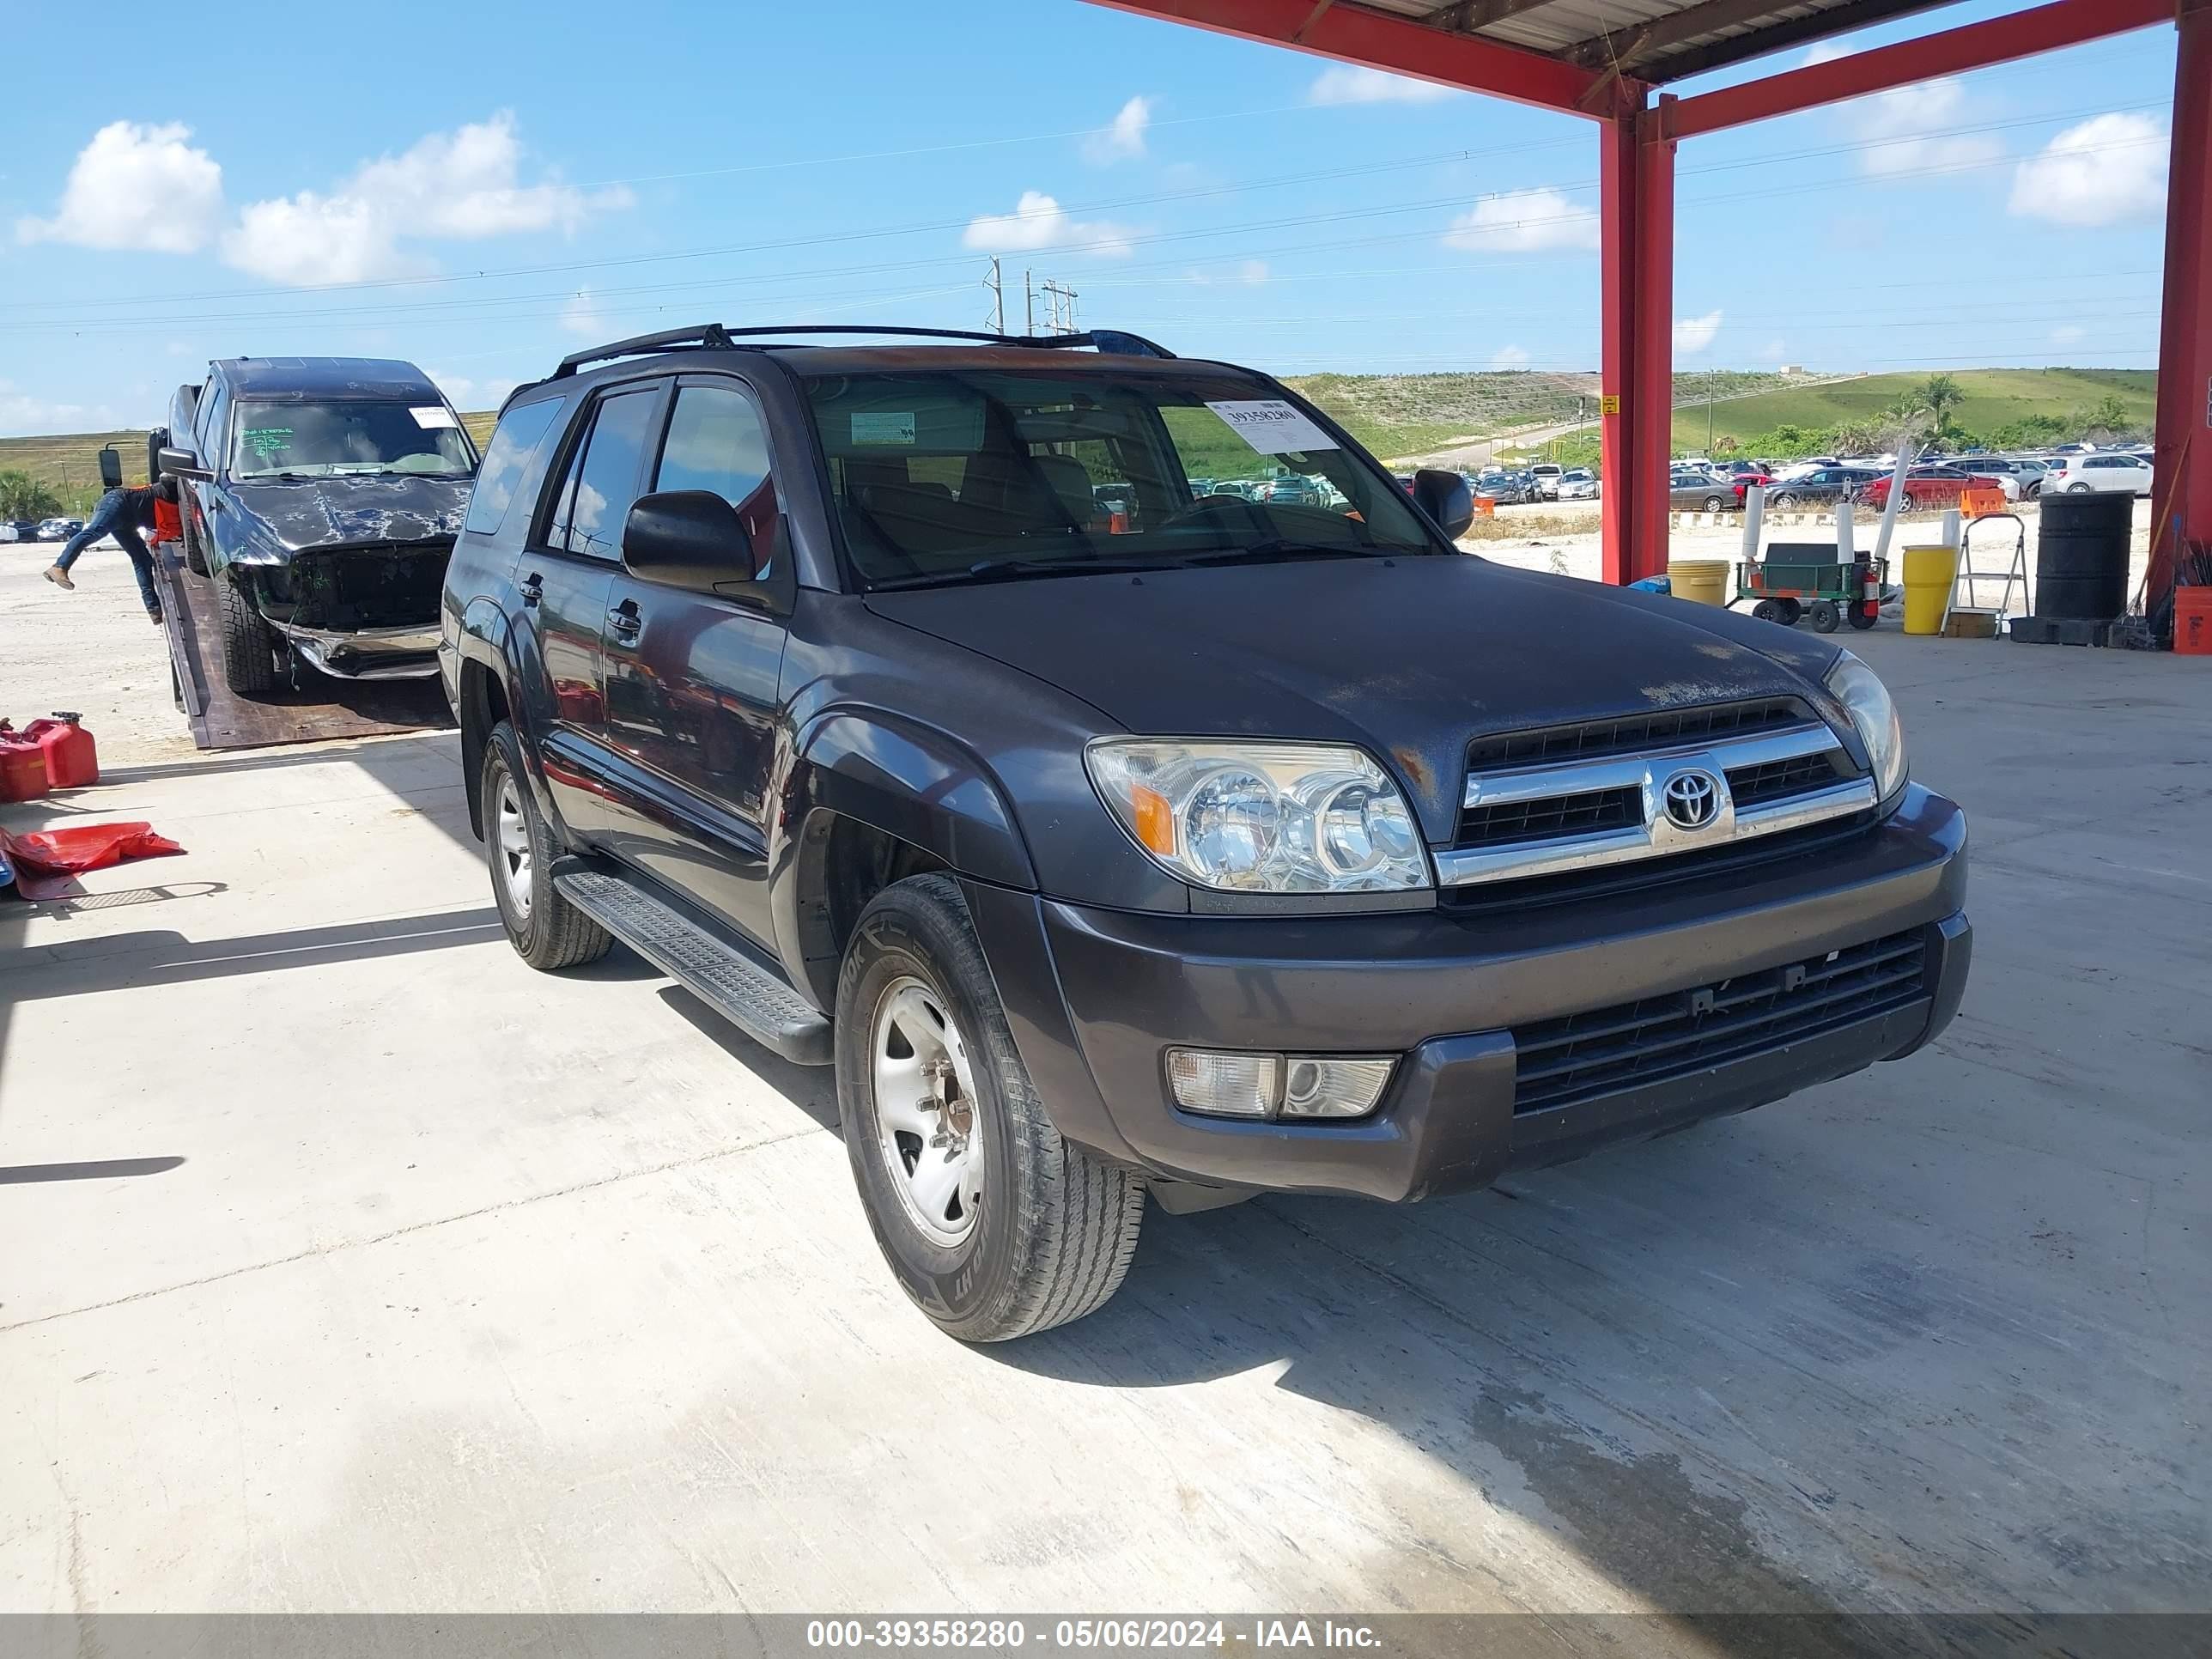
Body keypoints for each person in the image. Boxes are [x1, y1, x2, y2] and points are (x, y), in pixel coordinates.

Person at [43, 477, 173, 624]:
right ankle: (59, 567)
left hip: (129, 519)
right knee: (95, 531)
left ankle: (154, 609)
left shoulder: (176, 503)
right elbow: (168, 480)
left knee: (142, 559)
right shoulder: (173, 490)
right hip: (118, 502)